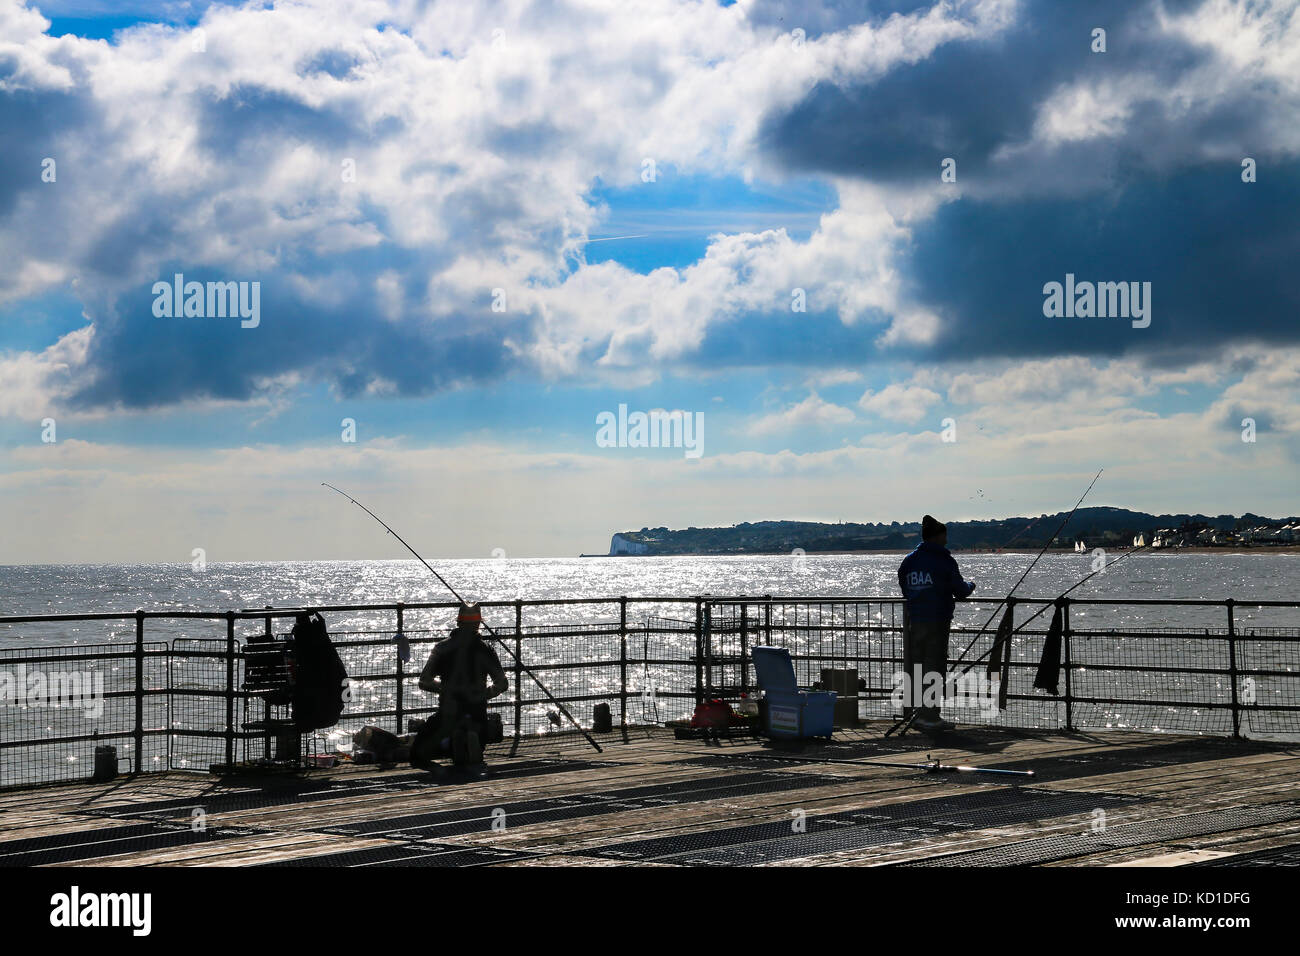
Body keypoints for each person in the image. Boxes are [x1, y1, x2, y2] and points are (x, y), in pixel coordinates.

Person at [897, 515, 976, 734]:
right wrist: (971, 585)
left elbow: (904, 585)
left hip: (915, 620)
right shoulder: (944, 560)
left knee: (917, 667)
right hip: (937, 620)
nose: (947, 540)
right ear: (938, 536)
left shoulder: (909, 561)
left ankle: (916, 713)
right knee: (934, 668)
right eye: (945, 535)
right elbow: (960, 589)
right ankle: (930, 716)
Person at [411, 602, 508, 767]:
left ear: (458, 622)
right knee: (480, 729)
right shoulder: (485, 649)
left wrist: (445, 689)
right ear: (478, 623)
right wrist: (484, 693)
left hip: (449, 710)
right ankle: (471, 737)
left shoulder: (442, 648)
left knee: (417, 754)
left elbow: (424, 681)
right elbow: (502, 683)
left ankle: (451, 742)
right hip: (477, 711)